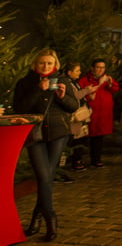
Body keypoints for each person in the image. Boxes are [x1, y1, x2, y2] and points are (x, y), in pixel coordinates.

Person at [13, 49, 79, 242]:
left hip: (58, 133)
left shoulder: (63, 80)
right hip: (34, 134)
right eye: (42, 63)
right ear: (35, 64)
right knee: (43, 175)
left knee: (46, 176)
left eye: (50, 64)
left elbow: (74, 106)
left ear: (55, 65)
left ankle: (37, 217)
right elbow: (20, 108)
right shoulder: (26, 82)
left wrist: (62, 96)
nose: (46, 67)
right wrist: (37, 90)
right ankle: (50, 217)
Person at [78, 59, 120, 167]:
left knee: (98, 138)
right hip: (89, 113)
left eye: (103, 67)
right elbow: (80, 94)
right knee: (82, 138)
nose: (101, 70)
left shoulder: (107, 79)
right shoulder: (85, 80)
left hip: (102, 114)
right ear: (92, 68)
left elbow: (115, 89)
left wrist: (110, 84)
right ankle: (78, 160)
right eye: (98, 67)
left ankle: (96, 159)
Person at [62, 62, 98, 172]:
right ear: (69, 72)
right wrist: (87, 90)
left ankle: (76, 160)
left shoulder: (74, 83)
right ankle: (66, 164)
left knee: (79, 139)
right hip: (74, 116)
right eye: (77, 71)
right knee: (72, 140)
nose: (79, 73)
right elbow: (74, 96)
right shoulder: (67, 83)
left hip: (81, 115)